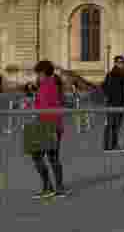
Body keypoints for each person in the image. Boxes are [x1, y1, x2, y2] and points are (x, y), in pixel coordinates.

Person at [30, 60, 70, 199]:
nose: (37, 76)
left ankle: (51, 187)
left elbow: (47, 107)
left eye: (38, 73)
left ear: (43, 73)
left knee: (40, 156)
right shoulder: (50, 84)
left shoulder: (49, 85)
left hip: (47, 125)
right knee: (51, 157)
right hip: (50, 124)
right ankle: (57, 188)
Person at [102, 56, 124, 152]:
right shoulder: (114, 74)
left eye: (123, 62)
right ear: (116, 63)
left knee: (113, 125)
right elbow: (104, 87)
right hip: (115, 103)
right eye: (120, 62)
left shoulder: (118, 74)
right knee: (113, 125)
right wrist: (111, 96)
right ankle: (111, 146)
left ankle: (109, 146)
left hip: (115, 103)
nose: (122, 64)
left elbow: (104, 87)